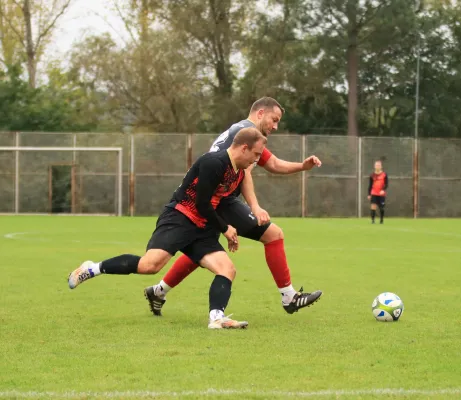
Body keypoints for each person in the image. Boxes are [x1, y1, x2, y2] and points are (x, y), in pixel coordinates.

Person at [68, 127, 268, 329]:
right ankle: (92, 268)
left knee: (227, 269)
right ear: (244, 148)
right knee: (149, 266)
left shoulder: (238, 173)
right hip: (180, 218)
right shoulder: (213, 162)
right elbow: (202, 203)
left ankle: (217, 318)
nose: (257, 160)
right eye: (256, 154)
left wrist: (236, 222)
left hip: (202, 228)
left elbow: (220, 203)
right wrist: (225, 228)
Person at [144, 97, 323, 317]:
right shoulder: (246, 134)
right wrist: (255, 207)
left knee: (201, 251)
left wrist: (302, 166)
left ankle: (158, 292)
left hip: (213, 200)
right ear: (260, 113)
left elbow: (274, 163)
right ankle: (289, 297)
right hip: (220, 201)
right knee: (273, 235)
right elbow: (244, 173)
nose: (275, 126)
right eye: (274, 120)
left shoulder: (244, 132)